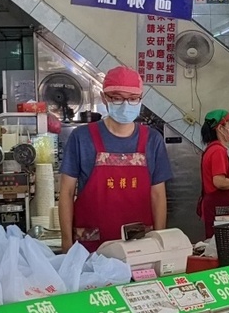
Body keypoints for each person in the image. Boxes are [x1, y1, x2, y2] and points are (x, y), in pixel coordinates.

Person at [59, 66, 173, 252]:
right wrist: (66, 242)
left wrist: (160, 241)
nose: (126, 104)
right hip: (92, 245)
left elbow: (158, 195)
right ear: (104, 98)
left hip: (140, 244)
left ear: (140, 99)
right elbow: (66, 192)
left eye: (132, 98)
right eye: (117, 98)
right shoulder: (81, 138)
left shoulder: (152, 140)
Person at [198, 110, 229, 238]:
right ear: (220, 128)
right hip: (217, 208)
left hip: (214, 206)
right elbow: (219, 182)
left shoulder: (213, 148)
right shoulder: (218, 151)